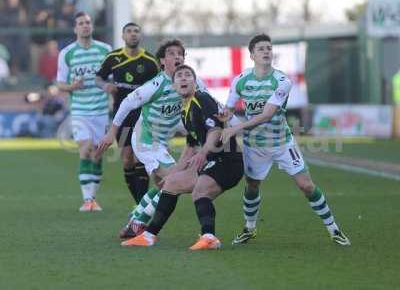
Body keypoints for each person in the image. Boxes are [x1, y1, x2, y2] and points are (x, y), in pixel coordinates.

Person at [219, 34, 351, 246]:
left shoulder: (282, 81)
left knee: (306, 185)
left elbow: (268, 114)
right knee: (252, 185)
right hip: (255, 146)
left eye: (269, 48)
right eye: (261, 49)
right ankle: (249, 228)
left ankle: (334, 229)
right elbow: (228, 110)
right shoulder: (240, 80)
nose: (266, 51)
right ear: (252, 55)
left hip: (282, 143)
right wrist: (222, 119)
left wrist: (237, 128)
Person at [120, 65, 244, 250]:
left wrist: (203, 153)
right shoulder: (185, 110)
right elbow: (191, 145)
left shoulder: (202, 99)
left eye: (188, 76)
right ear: (174, 84)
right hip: (213, 161)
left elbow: (216, 131)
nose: (184, 78)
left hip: (228, 162)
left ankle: (209, 238)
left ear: (195, 83)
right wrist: (175, 172)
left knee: (200, 191)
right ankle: (148, 236)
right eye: (179, 76)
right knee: (171, 184)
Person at [98, 39, 206, 235]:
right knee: (180, 180)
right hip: (145, 140)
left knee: (164, 185)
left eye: (180, 53)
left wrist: (229, 123)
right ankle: (137, 222)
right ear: (163, 61)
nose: (177, 57)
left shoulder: (191, 81)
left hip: (161, 142)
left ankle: (135, 221)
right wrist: (112, 133)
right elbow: (127, 103)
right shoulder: (156, 84)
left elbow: (211, 104)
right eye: (172, 54)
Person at [95, 22, 159, 203]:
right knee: (127, 159)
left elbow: (159, 85)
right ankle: (139, 205)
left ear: (140, 36)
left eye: (136, 31)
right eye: (129, 31)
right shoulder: (113, 58)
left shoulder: (150, 61)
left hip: (143, 115)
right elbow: (97, 79)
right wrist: (105, 85)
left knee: (139, 158)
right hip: (121, 115)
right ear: (123, 36)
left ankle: (141, 207)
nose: (133, 34)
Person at [57, 12, 112, 212]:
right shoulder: (67, 53)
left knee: (97, 154)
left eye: (88, 22)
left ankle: (93, 198)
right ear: (75, 28)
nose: (85, 26)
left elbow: (111, 78)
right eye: (81, 23)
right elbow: (60, 83)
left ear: (92, 26)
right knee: (86, 147)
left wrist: (108, 88)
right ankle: (87, 199)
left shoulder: (105, 50)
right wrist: (73, 87)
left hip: (100, 110)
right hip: (80, 109)